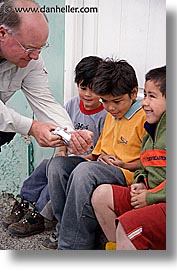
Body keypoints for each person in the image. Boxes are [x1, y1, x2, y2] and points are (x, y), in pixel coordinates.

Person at [46, 58, 147, 250]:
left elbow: (147, 161)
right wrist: (76, 155)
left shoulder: (144, 116)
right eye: (105, 101)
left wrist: (121, 164)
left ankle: (72, 246)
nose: (110, 107)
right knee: (57, 166)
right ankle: (63, 229)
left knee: (85, 172)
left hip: (125, 174)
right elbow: (97, 154)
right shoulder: (113, 114)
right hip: (102, 167)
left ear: (134, 93)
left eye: (116, 101)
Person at [3, 56, 107, 240]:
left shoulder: (105, 115)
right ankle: (25, 202)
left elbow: (100, 150)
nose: (88, 94)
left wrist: (81, 156)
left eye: (95, 90)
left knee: (56, 171)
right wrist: (62, 150)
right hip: (68, 155)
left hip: (87, 161)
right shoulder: (73, 105)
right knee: (44, 166)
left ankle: (39, 216)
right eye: (84, 88)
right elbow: (61, 128)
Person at [0, 0, 93, 154]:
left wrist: (70, 135)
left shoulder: (31, 60)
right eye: (29, 48)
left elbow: (45, 102)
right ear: (2, 33)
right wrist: (33, 127)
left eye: (40, 48)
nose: (36, 56)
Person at [92, 66, 166, 250]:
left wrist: (150, 197)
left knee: (127, 227)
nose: (144, 103)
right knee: (101, 196)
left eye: (152, 96)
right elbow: (145, 164)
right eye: (145, 95)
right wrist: (140, 181)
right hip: (150, 193)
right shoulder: (151, 131)